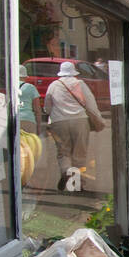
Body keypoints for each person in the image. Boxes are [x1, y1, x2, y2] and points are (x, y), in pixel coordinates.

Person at [43, 60, 102, 192]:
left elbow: (47, 107)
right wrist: (97, 117)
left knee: (63, 152)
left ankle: (65, 171)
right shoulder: (79, 83)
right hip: (79, 120)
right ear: (74, 72)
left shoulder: (53, 85)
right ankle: (77, 184)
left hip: (59, 122)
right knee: (79, 152)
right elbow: (90, 102)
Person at [18, 66, 41, 134]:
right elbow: (37, 109)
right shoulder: (30, 87)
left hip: (14, 119)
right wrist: (38, 126)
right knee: (29, 143)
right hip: (28, 119)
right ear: (25, 76)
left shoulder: (10, 87)